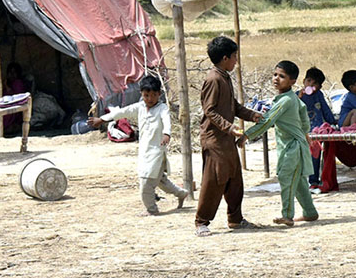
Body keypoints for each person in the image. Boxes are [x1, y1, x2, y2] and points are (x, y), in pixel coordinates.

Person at [87, 75, 188, 216]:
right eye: (146, 95)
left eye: (153, 95)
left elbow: (167, 121)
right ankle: (181, 193)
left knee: (146, 182)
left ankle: (151, 209)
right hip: (144, 151)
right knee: (160, 181)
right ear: (141, 94)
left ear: (159, 94)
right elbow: (122, 112)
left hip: (156, 151)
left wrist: (167, 134)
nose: (150, 98)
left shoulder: (162, 108)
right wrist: (101, 119)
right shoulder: (140, 107)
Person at [194, 36, 264, 237]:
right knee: (214, 180)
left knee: (234, 179)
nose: (236, 61)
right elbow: (210, 110)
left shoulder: (224, 77)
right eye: (234, 57)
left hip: (225, 139)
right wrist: (229, 127)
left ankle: (235, 219)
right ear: (225, 58)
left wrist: (252, 115)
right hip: (214, 139)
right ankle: (201, 222)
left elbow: (233, 106)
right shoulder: (213, 79)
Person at [242, 61, 318, 227]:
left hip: (293, 148)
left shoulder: (284, 101)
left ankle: (287, 215)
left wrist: (246, 135)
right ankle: (310, 212)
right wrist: (305, 132)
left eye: (282, 76)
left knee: (287, 178)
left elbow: (268, 120)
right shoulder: (291, 98)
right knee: (298, 182)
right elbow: (304, 116)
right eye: (275, 75)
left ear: (292, 81)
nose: (276, 79)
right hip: (291, 146)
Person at [298, 67, 336, 187]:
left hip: (316, 131)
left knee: (315, 156)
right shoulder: (297, 95)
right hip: (301, 130)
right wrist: (298, 98)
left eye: (315, 84)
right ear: (304, 81)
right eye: (309, 81)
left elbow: (325, 109)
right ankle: (300, 180)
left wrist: (333, 122)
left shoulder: (318, 95)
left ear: (319, 87)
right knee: (300, 156)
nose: (311, 85)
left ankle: (314, 180)